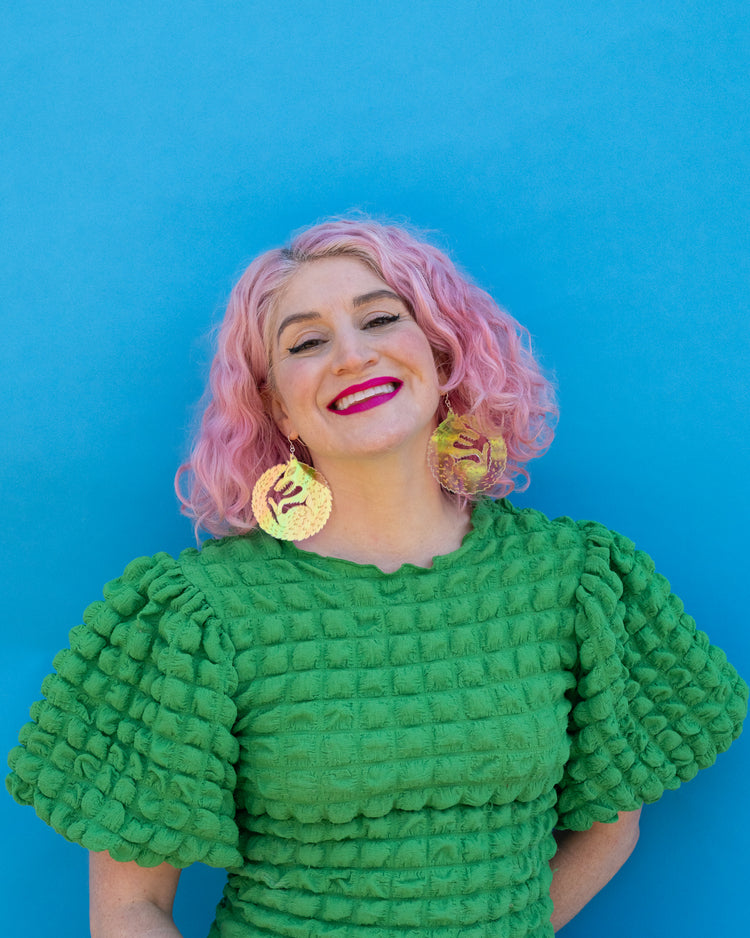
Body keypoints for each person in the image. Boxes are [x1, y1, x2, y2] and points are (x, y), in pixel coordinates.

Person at [7, 218, 747, 938]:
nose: (351, 356)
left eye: (380, 319)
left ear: (443, 350)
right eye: (306, 341)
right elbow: (129, 910)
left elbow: (612, 827)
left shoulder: (577, 578)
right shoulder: (197, 617)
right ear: (275, 405)